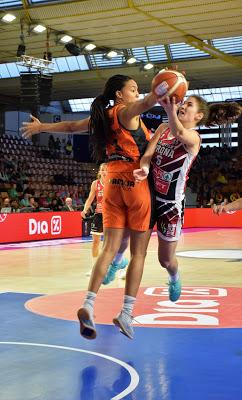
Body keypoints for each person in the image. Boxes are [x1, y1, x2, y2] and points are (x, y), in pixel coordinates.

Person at [134, 95, 241, 303]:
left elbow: (179, 132)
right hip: (149, 196)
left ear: (198, 116)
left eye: (188, 105)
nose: (183, 106)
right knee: (137, 250)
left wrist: (170, 109)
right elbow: (147, 154)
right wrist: (145, 168)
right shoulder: (163, 128)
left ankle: (174, 277)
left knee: (165, 260)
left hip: (171, 206)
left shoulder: (194, 138)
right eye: (183, 103)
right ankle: (117, 260)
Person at [77, 74, 157, 340]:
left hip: (110, 180)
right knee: (139, 254)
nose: (137, 93)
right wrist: (166, 89)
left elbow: (70, 127)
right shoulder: (126, 111)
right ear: (120, 95)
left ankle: (88, 303)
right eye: (133, 89)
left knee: (109, 249)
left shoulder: (102, 117)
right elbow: (146, 103)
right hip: (134, 179)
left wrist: (41, 127)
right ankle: (125, 313)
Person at [81, 163, 129, 281]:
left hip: (111, 215)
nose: (104, 171)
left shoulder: (114, 182)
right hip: (98, 215)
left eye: (106, 170)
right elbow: (90, 198)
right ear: (99, 172)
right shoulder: (95, 184)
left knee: (112, 244)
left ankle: (121, 267)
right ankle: (94, 268)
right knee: (95, 242)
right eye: (102, 170)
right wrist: (85, 209)